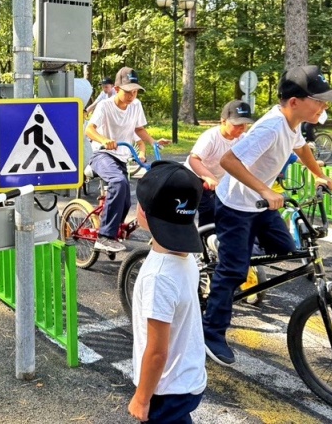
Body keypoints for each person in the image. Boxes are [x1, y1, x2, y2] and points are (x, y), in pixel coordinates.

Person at [202, 65, 332, 366]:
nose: (324, 106)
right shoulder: (270, 127)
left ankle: (231, 249)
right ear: (295, 101)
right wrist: (266, 191)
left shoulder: (293, 123)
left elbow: (302, 149)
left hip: (260, 205)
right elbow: (227, 160)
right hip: (236, 205)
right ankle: (211, 332)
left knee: (286, 248)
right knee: (233, 273)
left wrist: (318, 175)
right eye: (318, 100)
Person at [129, 161, 207, 423]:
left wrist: (141, 397)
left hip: (166, 389)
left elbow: (157, 351)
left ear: (143, 212)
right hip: (187, 377)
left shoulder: (158, 277)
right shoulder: (184, 257)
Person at [85, 67, 170, 252]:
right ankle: (104, 236)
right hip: (102, 154)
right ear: (116, 89)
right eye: (128, 91)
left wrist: (154, 142)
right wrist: (104, 140)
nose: (132, 95)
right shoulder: (105, 106)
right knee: (118, 182)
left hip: (122, 156)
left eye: (135, 91)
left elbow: (139, 130)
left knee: (126, 201)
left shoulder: (136, 105)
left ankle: (113, 232)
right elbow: (89, 129)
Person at [185, 99, 253, 226]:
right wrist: (208, 178)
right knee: (208, 209)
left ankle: (214, 237)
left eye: (245, 124)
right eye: (237, 124)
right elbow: (193, 159)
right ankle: (204, 239)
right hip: (196, 176)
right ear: (223, 120)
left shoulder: (243, 139)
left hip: (218, 181)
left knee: (225, 210)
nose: (242, 128)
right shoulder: (211, 137)